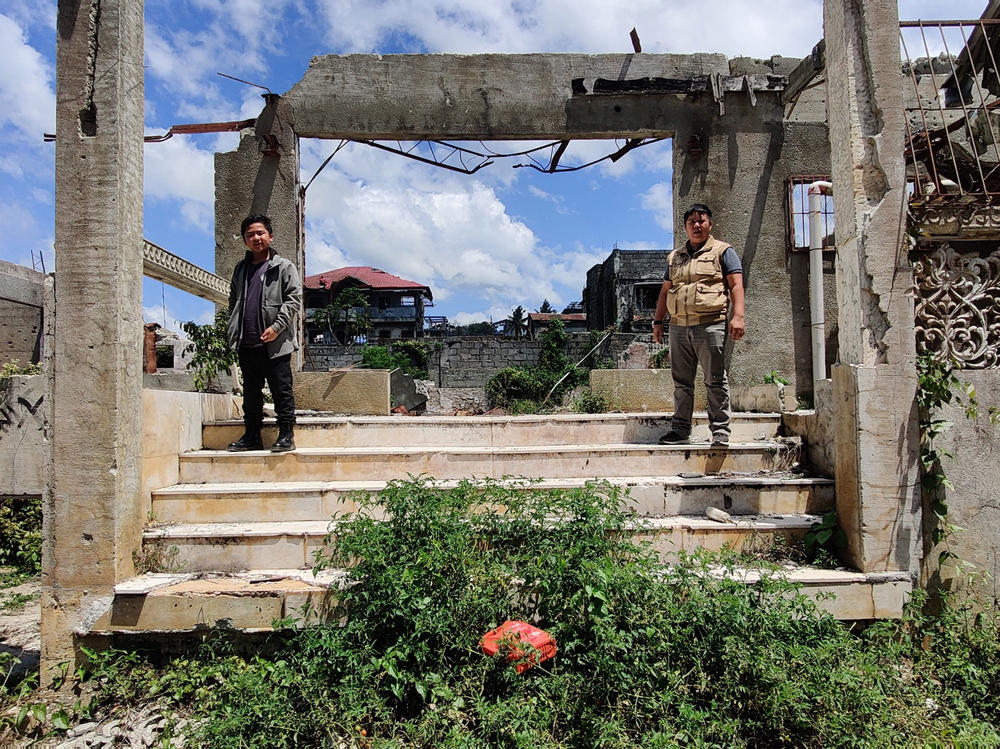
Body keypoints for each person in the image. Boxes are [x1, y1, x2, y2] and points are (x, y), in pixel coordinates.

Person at [652, 203, 745, 446]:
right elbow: (665, 291)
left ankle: (720, 431)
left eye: (701, 221)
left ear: (709, 225)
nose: (697, 225)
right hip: (679, 326)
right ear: (685, 227)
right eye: (692, 221)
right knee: (681, 382)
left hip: (711, 324)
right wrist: (658, 321)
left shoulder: (723, 251)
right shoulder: (675, 257)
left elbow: (735, 285)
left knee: (715, 379)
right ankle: (681, 430)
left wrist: (738, 316)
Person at [226, 214, 302, 452]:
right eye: (250, 235)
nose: (256, 238)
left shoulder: (283, 267)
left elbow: (294, 300)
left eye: (260, 233)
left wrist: (277, 327)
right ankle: (251, 436)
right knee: (250, 394)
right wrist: (234, 329)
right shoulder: (241, 269)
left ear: (270, 235)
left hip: (276, 342)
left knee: (281, 390)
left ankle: (286, 435)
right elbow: (233, 301)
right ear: (245, 240)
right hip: (247, 342)